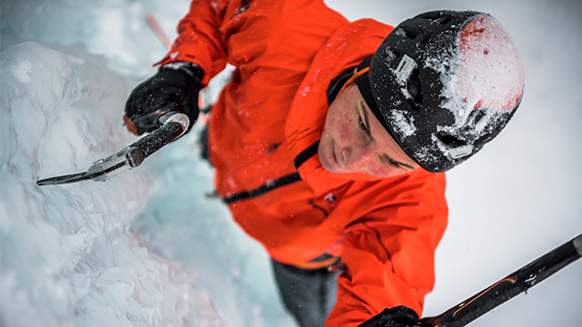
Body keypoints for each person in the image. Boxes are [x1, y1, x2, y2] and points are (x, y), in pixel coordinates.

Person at [123, 1, 524, 326]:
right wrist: (187, 67)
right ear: (360, 75)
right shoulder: (286, 29)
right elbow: (219, 7)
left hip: (301, 259)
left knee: (315, 317)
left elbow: (389, 280)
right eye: (363, 124)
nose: (353, 158)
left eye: (391, 161)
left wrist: (379, 322)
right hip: (231, 147)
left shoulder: (410, 206)